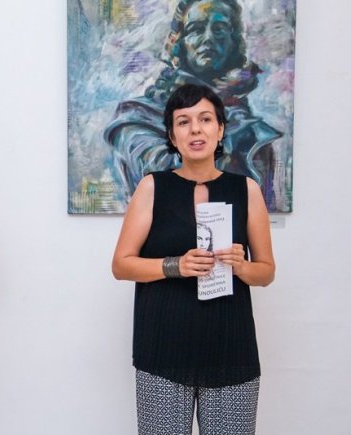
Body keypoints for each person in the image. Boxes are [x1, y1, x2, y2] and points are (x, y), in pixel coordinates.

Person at [112, 84, 275, 434]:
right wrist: (176, 265)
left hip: (232, 352)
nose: (195, 129)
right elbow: (121, 265)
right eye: (183, 122)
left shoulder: (246, 190)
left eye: (205, 119)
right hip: (163, 353)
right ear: (173, 136)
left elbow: (265, 272)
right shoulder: (152, 187)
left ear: (220, 129)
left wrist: (241, 266)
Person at [104, 0, 282, 210]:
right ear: (178, 42)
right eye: (196, 29)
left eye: (219, 30)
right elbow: (169, 179)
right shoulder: (136, 118)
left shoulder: (251, 129)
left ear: (234, 43)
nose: (208, 38)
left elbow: (262, 205)